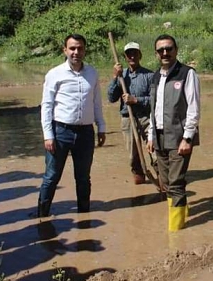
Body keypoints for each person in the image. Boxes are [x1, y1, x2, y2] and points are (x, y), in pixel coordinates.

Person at [38, 34, 106, 217]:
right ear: (65, 50)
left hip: (85, 133)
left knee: (83, 178)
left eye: (80, 48)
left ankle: (84, 217)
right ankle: (42, 216)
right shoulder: (54, 74)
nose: (76, 52)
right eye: (72, 48)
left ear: (85, 50)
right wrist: (48, 135)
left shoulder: (92, 73)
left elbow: (97, 102)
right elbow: (47, 106)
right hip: (60, 131)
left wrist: (102, 127)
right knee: (51, 177)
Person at [147, 34, 200, 232]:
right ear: (156, 54)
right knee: (167, 183)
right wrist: (151, 135)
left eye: (169, 49)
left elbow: (193, 108)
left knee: (176, 183)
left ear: (176, 50)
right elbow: (154, 109)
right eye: (161, 50)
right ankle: (181, 217)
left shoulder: (187, 74)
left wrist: (188, 137)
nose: (165, 53)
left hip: (179, 137)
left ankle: (176, 232)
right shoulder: (155, 77)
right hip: (159, 136)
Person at [107, 41, 154, 185]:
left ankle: (162, 178)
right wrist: (115, 77)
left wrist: (136, 100)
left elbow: (155, 100)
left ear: (140, 55)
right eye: (129, 54)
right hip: (128, 119)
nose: (132, 56)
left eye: (135, 53)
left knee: (155, 150)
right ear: (125, 57)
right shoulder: (122, 75)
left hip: (147, 118)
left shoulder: (150, 75)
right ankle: (140, 179)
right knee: (133, 156)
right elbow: (111, 98)